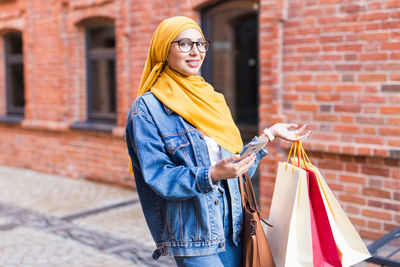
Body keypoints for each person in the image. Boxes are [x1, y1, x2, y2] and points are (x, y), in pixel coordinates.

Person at [125, 16, 311, 267]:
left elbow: (236, 171)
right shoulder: (147, 109)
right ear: (163, 49)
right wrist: (211, 174)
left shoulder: (212, 99)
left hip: (234, 227)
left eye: (201, 44)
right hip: (195, 235)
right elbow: (159, 176)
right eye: (184, 44)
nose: (196, 52)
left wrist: (270, 134)